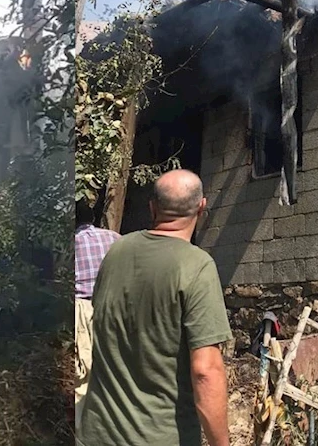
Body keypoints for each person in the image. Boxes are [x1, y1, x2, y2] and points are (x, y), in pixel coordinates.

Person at [78, 169, 232, 446]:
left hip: (96, 433)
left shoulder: (116, 252)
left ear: (152, 207)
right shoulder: (197, 266)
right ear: (201, 207)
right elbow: (205, 370)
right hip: (159, 437)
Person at [75, 200, 120, 430]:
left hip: (82, 309)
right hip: (115, 308)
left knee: (83, 375)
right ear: (91, 218)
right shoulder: (114, 238)